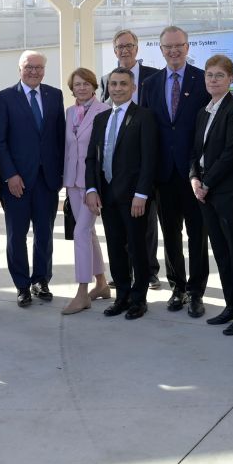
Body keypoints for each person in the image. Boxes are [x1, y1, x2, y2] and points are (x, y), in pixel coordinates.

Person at [140, 26, 210, 317]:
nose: (174, 51)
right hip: (163, 175)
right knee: (170, 235)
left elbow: (207, 128)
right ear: (160, 50)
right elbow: (147, 130)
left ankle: (196, 292)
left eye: (179, 45)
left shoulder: (202, 80)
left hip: (194, 173)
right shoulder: (151, 84)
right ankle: (177, 288)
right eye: (168, 47)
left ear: (187, 46)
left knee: (197, 235)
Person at [0, 50, 65, 307]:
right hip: (16, 182)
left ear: (44, 69)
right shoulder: (4, 97)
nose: (34, 71)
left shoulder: (54, 95)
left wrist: (61, 174)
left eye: (39, 67)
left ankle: (41, 280)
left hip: (47, 180)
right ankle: (22, 285)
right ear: (19, 68)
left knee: (44, 233)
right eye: (28, 67)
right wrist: (10, 174)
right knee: (17, 235)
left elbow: (59, 138)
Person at [190, 55, 233, 336]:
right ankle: (231, 306)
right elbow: (196, 151)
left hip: (229, 194)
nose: (213, 80)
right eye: (209, 75)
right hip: (206, 193)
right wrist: (194, 177)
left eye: (219, 75)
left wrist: (207, 183)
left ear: (231, 79)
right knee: (221, 252)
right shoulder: (203, 111)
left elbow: (231, 154)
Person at [85, 68, 157, 320]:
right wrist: (91, 189)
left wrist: (142, 194)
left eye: (123, 84)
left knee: (137, 249)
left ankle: (139, 299)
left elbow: (150, 160)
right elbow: (92, 158)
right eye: (113, 84)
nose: (117, 88)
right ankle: (122, 296)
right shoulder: (101, 119)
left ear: (133, 87)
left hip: (133, 198)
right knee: (115, 249)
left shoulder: (144, 117)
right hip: (107, 196)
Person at [99, 29, 161, 289]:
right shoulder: (106, 79)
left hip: (144, 155)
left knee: (145, 222)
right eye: (119, 46)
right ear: (114, 50)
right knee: (118, 228)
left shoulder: (153, 76)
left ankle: (149, 270)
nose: (124, 50)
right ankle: (124, 273)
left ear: (137, 48)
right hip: (118, 161)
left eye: (129, 45)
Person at [62, 67, 111, 315]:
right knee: (88, 233)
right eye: (77, 84)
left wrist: (99, 186)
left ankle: (82, 291)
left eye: (85, 84)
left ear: (94, 86)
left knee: (80, 232)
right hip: (72, 180)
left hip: (93, 183)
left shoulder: (104, 111)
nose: (81, 88)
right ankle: (101, 283)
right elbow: (68, 148)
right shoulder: (69, 112)